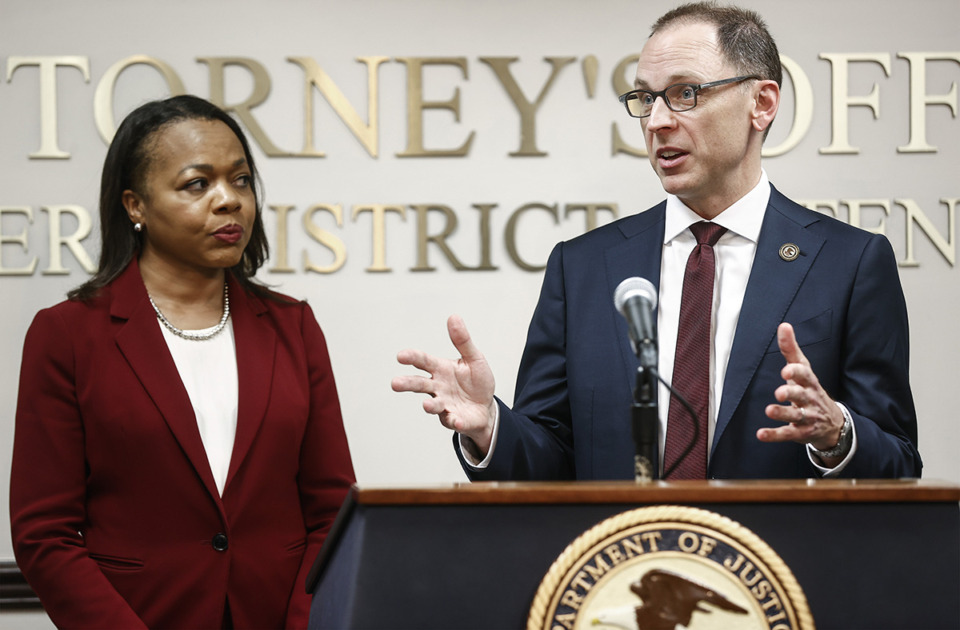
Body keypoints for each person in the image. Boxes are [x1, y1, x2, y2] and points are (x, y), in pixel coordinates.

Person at [392, 2, 921, 481]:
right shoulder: (584, 268)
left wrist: (838, 434)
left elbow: (899, 463)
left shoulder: (849, 263)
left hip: (779, 578)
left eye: (685, 93)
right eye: (646, 98)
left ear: (761, 103)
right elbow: (551, 461)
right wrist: (490, 427)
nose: (658, 121)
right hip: (622, 576)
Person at [10, 95, 356, 629]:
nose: (229, 201)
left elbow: (331, 511)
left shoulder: (294, 327)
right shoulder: (68, 335)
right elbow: (44, 534)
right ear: (135, 206)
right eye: (198, 184)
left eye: (240, 180)